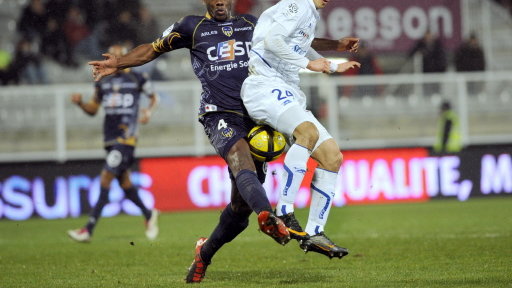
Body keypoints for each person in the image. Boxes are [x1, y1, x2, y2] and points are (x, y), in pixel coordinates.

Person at [88, 0, 358, 282]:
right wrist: (118, 63)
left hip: (255, 113)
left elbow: (293, 37)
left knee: (240, 210)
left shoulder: (249, 24)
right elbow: (152, 49)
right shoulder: (191, 27)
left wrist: (336, 45)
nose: (220, 1)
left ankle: (204, 254)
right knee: (242, 161)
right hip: (218, 112)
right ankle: (269, 216)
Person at [241, 0, 360, 259]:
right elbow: (273, 41)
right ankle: (284, 209)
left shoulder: (309, 13)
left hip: (287, 89)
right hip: (265, 84)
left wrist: (332, 65)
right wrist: (309, 65)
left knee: (332, 157)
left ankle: (315, 232)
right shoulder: (296, 4)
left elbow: (301, 45)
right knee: (308, 132)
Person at [67, 45, 159, 243]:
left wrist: (148, 111)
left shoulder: (137, 78)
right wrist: (81, 103)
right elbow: (93, 109)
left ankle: (88, 229)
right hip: (109, 139)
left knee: (106, 176)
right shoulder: (104, 81)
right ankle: (149, 214)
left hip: (126, 139)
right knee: (124, 183)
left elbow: (153, 97)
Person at [408, 31, 447, 96]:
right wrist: (420, 52)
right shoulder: (420, 44)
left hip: (436, 72)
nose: (428, 37)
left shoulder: (437, 45)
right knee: (426, 91)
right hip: (425, 72)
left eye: (429, 35)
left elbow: (442, 58)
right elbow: (411, 54)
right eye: (427, 35)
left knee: (436, 91)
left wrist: (441, 69)